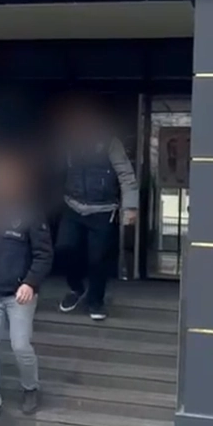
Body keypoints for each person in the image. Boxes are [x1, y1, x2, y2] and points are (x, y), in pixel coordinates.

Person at [0, 150, 53, 426]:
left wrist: (30, 283)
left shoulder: (30, 212)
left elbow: (44, 254)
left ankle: (30, 387)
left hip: (19, 293)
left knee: (20, 345)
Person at [55, 100, 138, 321]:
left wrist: (130, 207)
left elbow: (126, 175)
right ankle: (76, 288)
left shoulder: (111, 143)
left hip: (103, 209)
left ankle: (96, 301)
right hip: (73, 205)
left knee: (98, 259)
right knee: (64, 249)